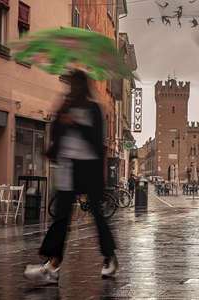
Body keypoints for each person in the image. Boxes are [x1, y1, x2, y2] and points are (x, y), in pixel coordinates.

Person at [24, 71, 118, 284]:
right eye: (68, 85)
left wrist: (75, 122)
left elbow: (96, 142)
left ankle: (109, 258)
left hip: (89, 170)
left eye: (73, 85)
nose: (69, 89)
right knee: (61, 218)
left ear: (81, 87)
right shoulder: (64, 107)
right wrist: (52, 147)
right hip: (68, 169)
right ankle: (53, 264)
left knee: (97, 215)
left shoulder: (93, 109)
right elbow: (56, 135)